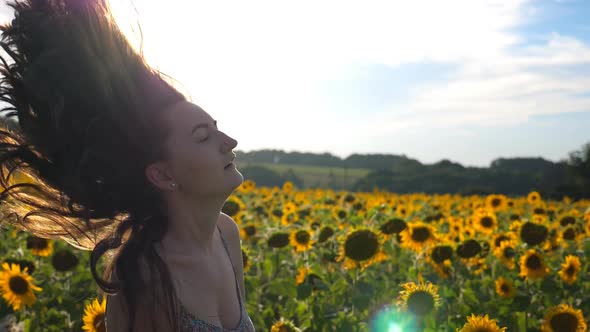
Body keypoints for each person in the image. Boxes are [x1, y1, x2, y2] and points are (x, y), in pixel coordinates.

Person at [0, 0, 255, 331]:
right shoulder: (146, 275)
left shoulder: (226, 233)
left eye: (217, 128)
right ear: (163, 174)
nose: (229, 141)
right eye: (203, 137)